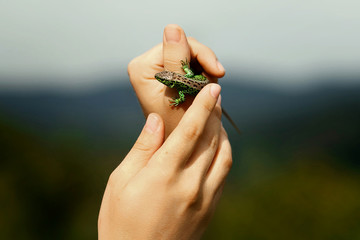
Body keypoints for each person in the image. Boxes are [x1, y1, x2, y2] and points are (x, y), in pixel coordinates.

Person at [98, 24, 232, 240]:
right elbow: (187, 79)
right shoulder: (176, 80)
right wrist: (187, 70)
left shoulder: (179, 87)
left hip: (198, 88)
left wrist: (179, 102)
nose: (163, 79)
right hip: (199, 83)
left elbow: (181, 96)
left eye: (165, 79)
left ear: (171, 80)